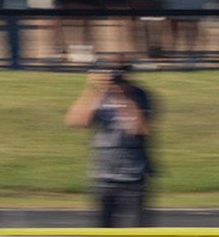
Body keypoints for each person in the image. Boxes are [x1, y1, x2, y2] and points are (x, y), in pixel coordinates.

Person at [65, 61, 155, 227]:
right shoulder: (99, 96)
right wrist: (93, 89)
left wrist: (122, 96)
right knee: (104, 234)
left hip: (134, 177)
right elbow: (76, 121)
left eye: (119, 74)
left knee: (139, 234)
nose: (114, 78)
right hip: (104, 176)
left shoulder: (140, 95)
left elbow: (139, 129)